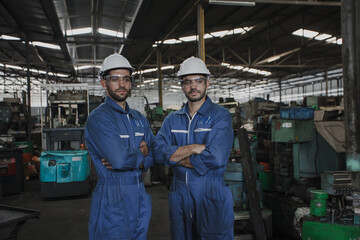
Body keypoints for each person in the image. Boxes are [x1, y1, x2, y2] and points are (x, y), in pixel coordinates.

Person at [154, 56, 234, 239]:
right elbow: (157, 152)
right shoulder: (172, 119)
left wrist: (173, 159)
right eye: (188, 82)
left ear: (207, 83)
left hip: (211, 191)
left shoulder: (220, 116)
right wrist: (193, 148)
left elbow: (216, 158)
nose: (193, 86)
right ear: (182, 86)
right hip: (179, 193)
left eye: (198, 81)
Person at [84, 53, 154, 240]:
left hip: (139, 195)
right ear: (103, 83)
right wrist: (141, 153)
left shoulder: (139, 119)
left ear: (131, 83)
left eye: (126, 79)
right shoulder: (99, 118)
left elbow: (153, 155)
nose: (121, 84)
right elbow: (119, 159)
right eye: (114, 79)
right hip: (112, 197)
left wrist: (140, 158)